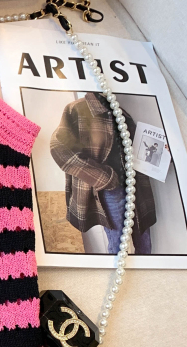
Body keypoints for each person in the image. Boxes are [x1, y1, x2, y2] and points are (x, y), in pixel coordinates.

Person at [50, 92, 156, 254]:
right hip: (110, 189)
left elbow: (140, 149)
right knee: (118, 245)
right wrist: (103, 178)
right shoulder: (77, 109)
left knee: (145, 243)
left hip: (136, 184)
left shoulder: (119, 110)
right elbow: (59, 149)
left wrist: (164, 155)